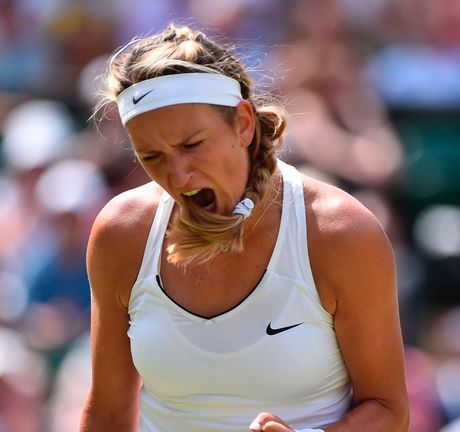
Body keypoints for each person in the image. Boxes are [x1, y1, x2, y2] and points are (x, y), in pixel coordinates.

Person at [80, 23, 408, 432]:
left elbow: (388, 409)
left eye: (192, 145)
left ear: (244, 123)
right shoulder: (121, 233)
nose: (178, 176)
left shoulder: (341, 233)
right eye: (152, 155)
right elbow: (108, 415)